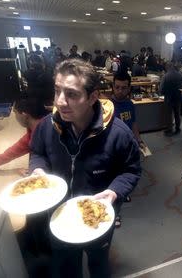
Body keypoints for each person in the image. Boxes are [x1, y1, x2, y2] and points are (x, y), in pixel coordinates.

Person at [29, 59, 141, 277]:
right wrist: (38, 169)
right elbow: (37, 153)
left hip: (98, 218)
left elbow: (131, 170)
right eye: (57, 91)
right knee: (66, 266)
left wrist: (115, 191)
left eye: (71, 94)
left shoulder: (118, 134)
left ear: (92, 97)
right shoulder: (46, 127)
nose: (60, 102)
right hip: (59, 217)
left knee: (98, 265)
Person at [0, 96, 49, 171]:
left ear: (24, 115)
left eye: (15, 112)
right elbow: (17, 148)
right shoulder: (36, 129)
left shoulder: (46, 133)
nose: (15, 117)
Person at [111, 70, 144, 146]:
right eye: (117, 87)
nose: (120, 91)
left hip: (128, 143)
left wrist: (139, 140)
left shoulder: (130, 104)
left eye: (124, 88)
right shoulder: (107, 106)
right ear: (113, 86)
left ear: (129, 88)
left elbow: (133, 124)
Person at [160, 63, 182, 136]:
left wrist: (162, 93)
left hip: (169, 97)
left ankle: (169, 130)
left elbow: (161, 88)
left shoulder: (166, 76)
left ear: (167, 67)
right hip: (177, 97)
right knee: (177, 114)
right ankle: (178, 128)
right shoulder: (180, 75)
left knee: (169, 114)